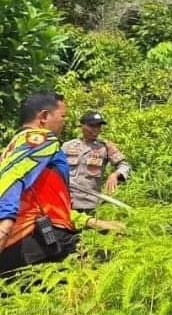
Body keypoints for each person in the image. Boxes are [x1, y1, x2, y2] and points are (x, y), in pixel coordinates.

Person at [0, 92, 123, 277]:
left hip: (35, 237)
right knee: (104, 273)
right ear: (44, 117)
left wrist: (97, 223)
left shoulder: (15, 145)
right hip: (34, 239)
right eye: (62, 116)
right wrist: (4, 225)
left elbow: (52, 206)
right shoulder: (39, 140)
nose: (64, 121)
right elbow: (11, 180)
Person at [62, 111, 131, 213]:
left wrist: (115, 174)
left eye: (98, 126)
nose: (96, 130)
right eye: (92, 126)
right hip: (66, 201)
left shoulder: (105, 147)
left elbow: (124, 165)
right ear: (82, 126)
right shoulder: (67, 146)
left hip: (90, 203)